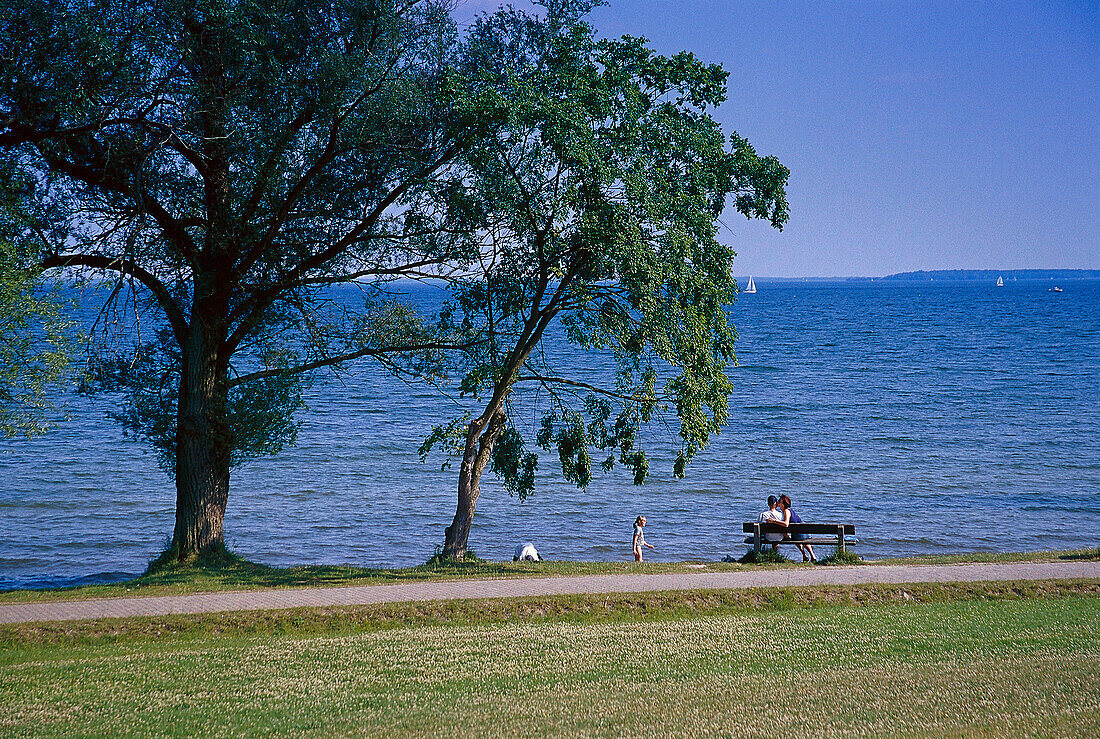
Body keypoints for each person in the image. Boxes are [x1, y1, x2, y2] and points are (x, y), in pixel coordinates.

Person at [777, 494, 816, 562]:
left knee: (796, 539)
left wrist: (774, 521)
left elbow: (786, 524)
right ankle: (812, 556)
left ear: (783, 504)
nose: (778, 502)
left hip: (799, 534)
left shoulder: (786, 511)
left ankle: (805, 555)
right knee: (801, 540)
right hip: (804, 532)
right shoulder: (790, 510)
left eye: (779, 501)